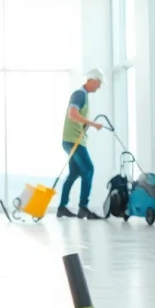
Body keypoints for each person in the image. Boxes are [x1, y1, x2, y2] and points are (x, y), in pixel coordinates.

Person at [57, 69, 104, 220]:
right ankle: (83, 208)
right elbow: (72, 114)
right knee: (89, 169)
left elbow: (77, 117)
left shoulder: (83, 95)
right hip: (73, 140)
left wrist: (85, 125)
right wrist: (92, 123)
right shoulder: (79, 94)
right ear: (92, 80)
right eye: (99, 83)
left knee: (75, 173)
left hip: (72, 139)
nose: (99, 87)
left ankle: (62, 207)